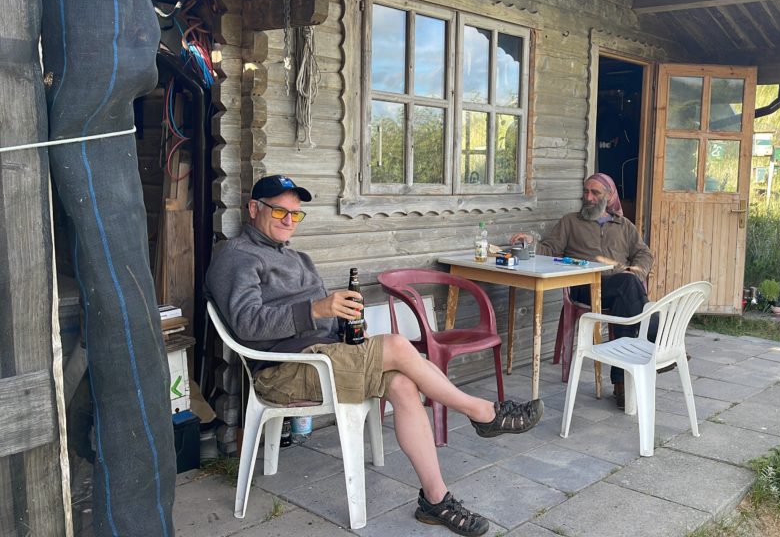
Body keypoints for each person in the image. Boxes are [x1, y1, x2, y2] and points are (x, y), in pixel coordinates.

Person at [207, 175, 543, 536]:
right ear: (254, 209)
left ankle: (435, 499)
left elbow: (322, 318)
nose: (289, 220)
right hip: (283, 370)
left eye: (295, 214)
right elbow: (246, 324)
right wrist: (318, 309)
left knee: (401, 384)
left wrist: (346, 327)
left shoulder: (297, 258)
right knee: (398, 345)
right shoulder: (236, 256)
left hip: (325, 357)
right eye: (279, 211)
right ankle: (484, 413)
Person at [511, 173, 667, 410]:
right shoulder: (571, 222)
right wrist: (531, 242)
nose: (589, 197)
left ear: (610, 196)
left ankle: (621, 385)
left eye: (595, 193)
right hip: (584, 287)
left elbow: (644, 254)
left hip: (621, 288)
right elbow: (550, 249)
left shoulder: (624, 226)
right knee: (631, 291)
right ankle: (657, 345)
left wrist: (636, 271)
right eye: (586, 192)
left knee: (627, 292)